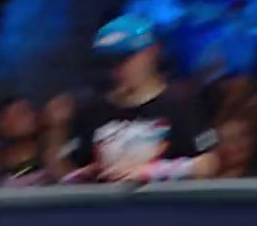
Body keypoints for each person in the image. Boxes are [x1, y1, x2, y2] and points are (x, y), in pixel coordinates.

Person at [67, 15, 217, 184]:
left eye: (125, 59)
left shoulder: (181, 102)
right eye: (110, 62)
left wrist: (153, 171)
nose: (118, 69)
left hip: (165, 199)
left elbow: (209, 163)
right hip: (108, 199)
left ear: (151, 53)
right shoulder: (92, 110)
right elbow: (70, 170)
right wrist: (87, 173)